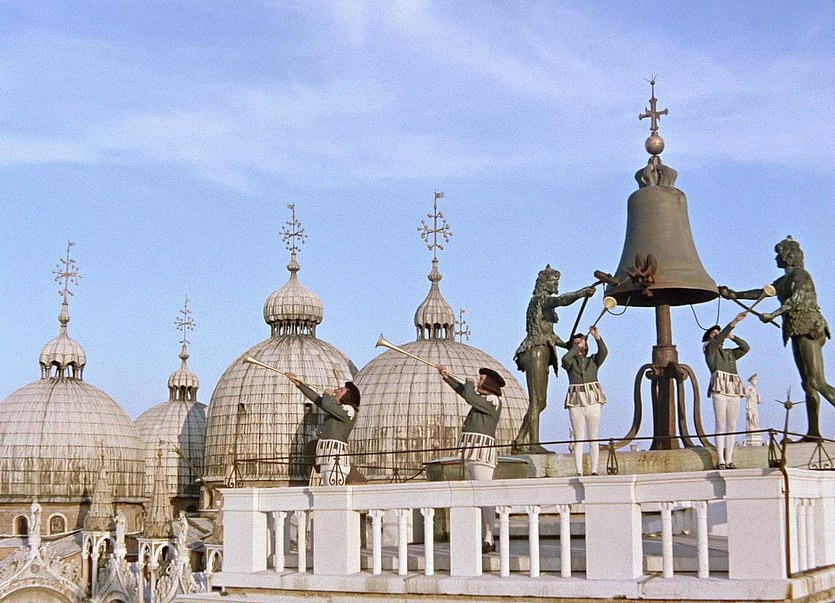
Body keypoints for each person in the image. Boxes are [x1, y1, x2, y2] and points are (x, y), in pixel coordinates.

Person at [719, 236, 834, 440]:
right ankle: (813, 432)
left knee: (817, 381)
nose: (775, 259)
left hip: (810, 329)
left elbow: (796, 299)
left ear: (787, 256)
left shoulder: (800, 275)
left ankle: (814, 430)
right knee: (807, 384)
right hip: (796, 330)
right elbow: (761, 293)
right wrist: (735, 294)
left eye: (778, 255)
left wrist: (773, 315)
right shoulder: (783, 281)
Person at [513, 265, 595, 453]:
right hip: (535, 351)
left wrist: (568, 345)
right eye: (553, 282)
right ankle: (533, 444)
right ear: (544, 283)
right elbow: (562, 300)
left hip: (543, 351)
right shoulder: (540, 300)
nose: (556, 285)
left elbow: (550, 335)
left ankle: (519, 439)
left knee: (541, 402)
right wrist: (581, 293)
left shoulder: (542, 305)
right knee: (536, 401)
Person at [437, 364, 504, 553]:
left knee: (484, 494)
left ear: (489, 383)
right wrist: (447, 377)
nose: (477, 381)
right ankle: (481, 535)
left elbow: (468, 395)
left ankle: (489, 536)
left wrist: (468, 382)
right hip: (472, 450)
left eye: (481, 379)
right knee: (475, 494)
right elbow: (464, 392)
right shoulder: (482, 400)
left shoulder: (493, 400)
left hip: (481, 451)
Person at [287, 374, 360, 486]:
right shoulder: (337, 410)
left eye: (341, 390)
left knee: (333, 490)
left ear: (347, 396)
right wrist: (298, 384)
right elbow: (318, 400)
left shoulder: (349, 410)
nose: (337, 390)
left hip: (335, 457)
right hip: (326, 456)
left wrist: (327, 395)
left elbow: (325, 403)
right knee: (327, 489)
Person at [702, 312, 749, 469]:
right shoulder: (710, 349)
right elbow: (717, 341)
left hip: (733, 389)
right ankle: (721, 459)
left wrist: (732, 337)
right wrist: (734, 321)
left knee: (732, 426)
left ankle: (729, 459)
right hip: (720, 389)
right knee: (720, 425)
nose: (717, 335)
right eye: (713, 333)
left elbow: (745, 348)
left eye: (718, 332)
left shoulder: (729, 354)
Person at [561, 326, 607, 476]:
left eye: (581, 342)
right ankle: (579, 471)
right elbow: (565, 359)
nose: (579, 345)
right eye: (575, 343)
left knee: (593, 437)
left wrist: (596, 336)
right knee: (578, 438)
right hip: (576, 402)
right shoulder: (570, 363)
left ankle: (594, 470)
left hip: (593, 400)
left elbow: (604, 352)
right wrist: (576, 346)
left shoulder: (592, 360)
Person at [743, 373, 764, 446]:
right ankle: (752, 428)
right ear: (752, 381)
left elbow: (759, 401)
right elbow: (745, 394)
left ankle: (755, 428)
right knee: (751, 417)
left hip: (755, 405)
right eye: (755, 380)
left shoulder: (755, 390)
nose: (756, 381)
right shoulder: (750, 388)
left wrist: (758, 397)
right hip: (750, 405)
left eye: (756, 380)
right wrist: (747, 390)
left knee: (756, 418)